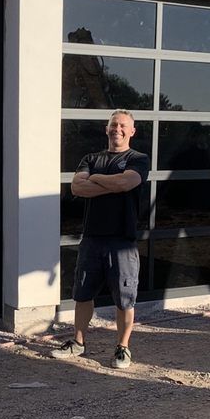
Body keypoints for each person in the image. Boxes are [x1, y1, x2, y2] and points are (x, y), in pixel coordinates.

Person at [52, 110, 150, 369]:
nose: (117, 129)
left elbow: (127, 183)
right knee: (82, 294)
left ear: (132, 131)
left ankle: (123, 347)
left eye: (122, 125)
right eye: (113, 125)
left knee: (124, 297)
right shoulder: (90, 158)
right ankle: (78, 342)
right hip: (92, 238)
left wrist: (95, 179)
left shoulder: (138, 158)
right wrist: (110, 183)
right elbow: (76, 187)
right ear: (106, 129)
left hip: (122, 241)